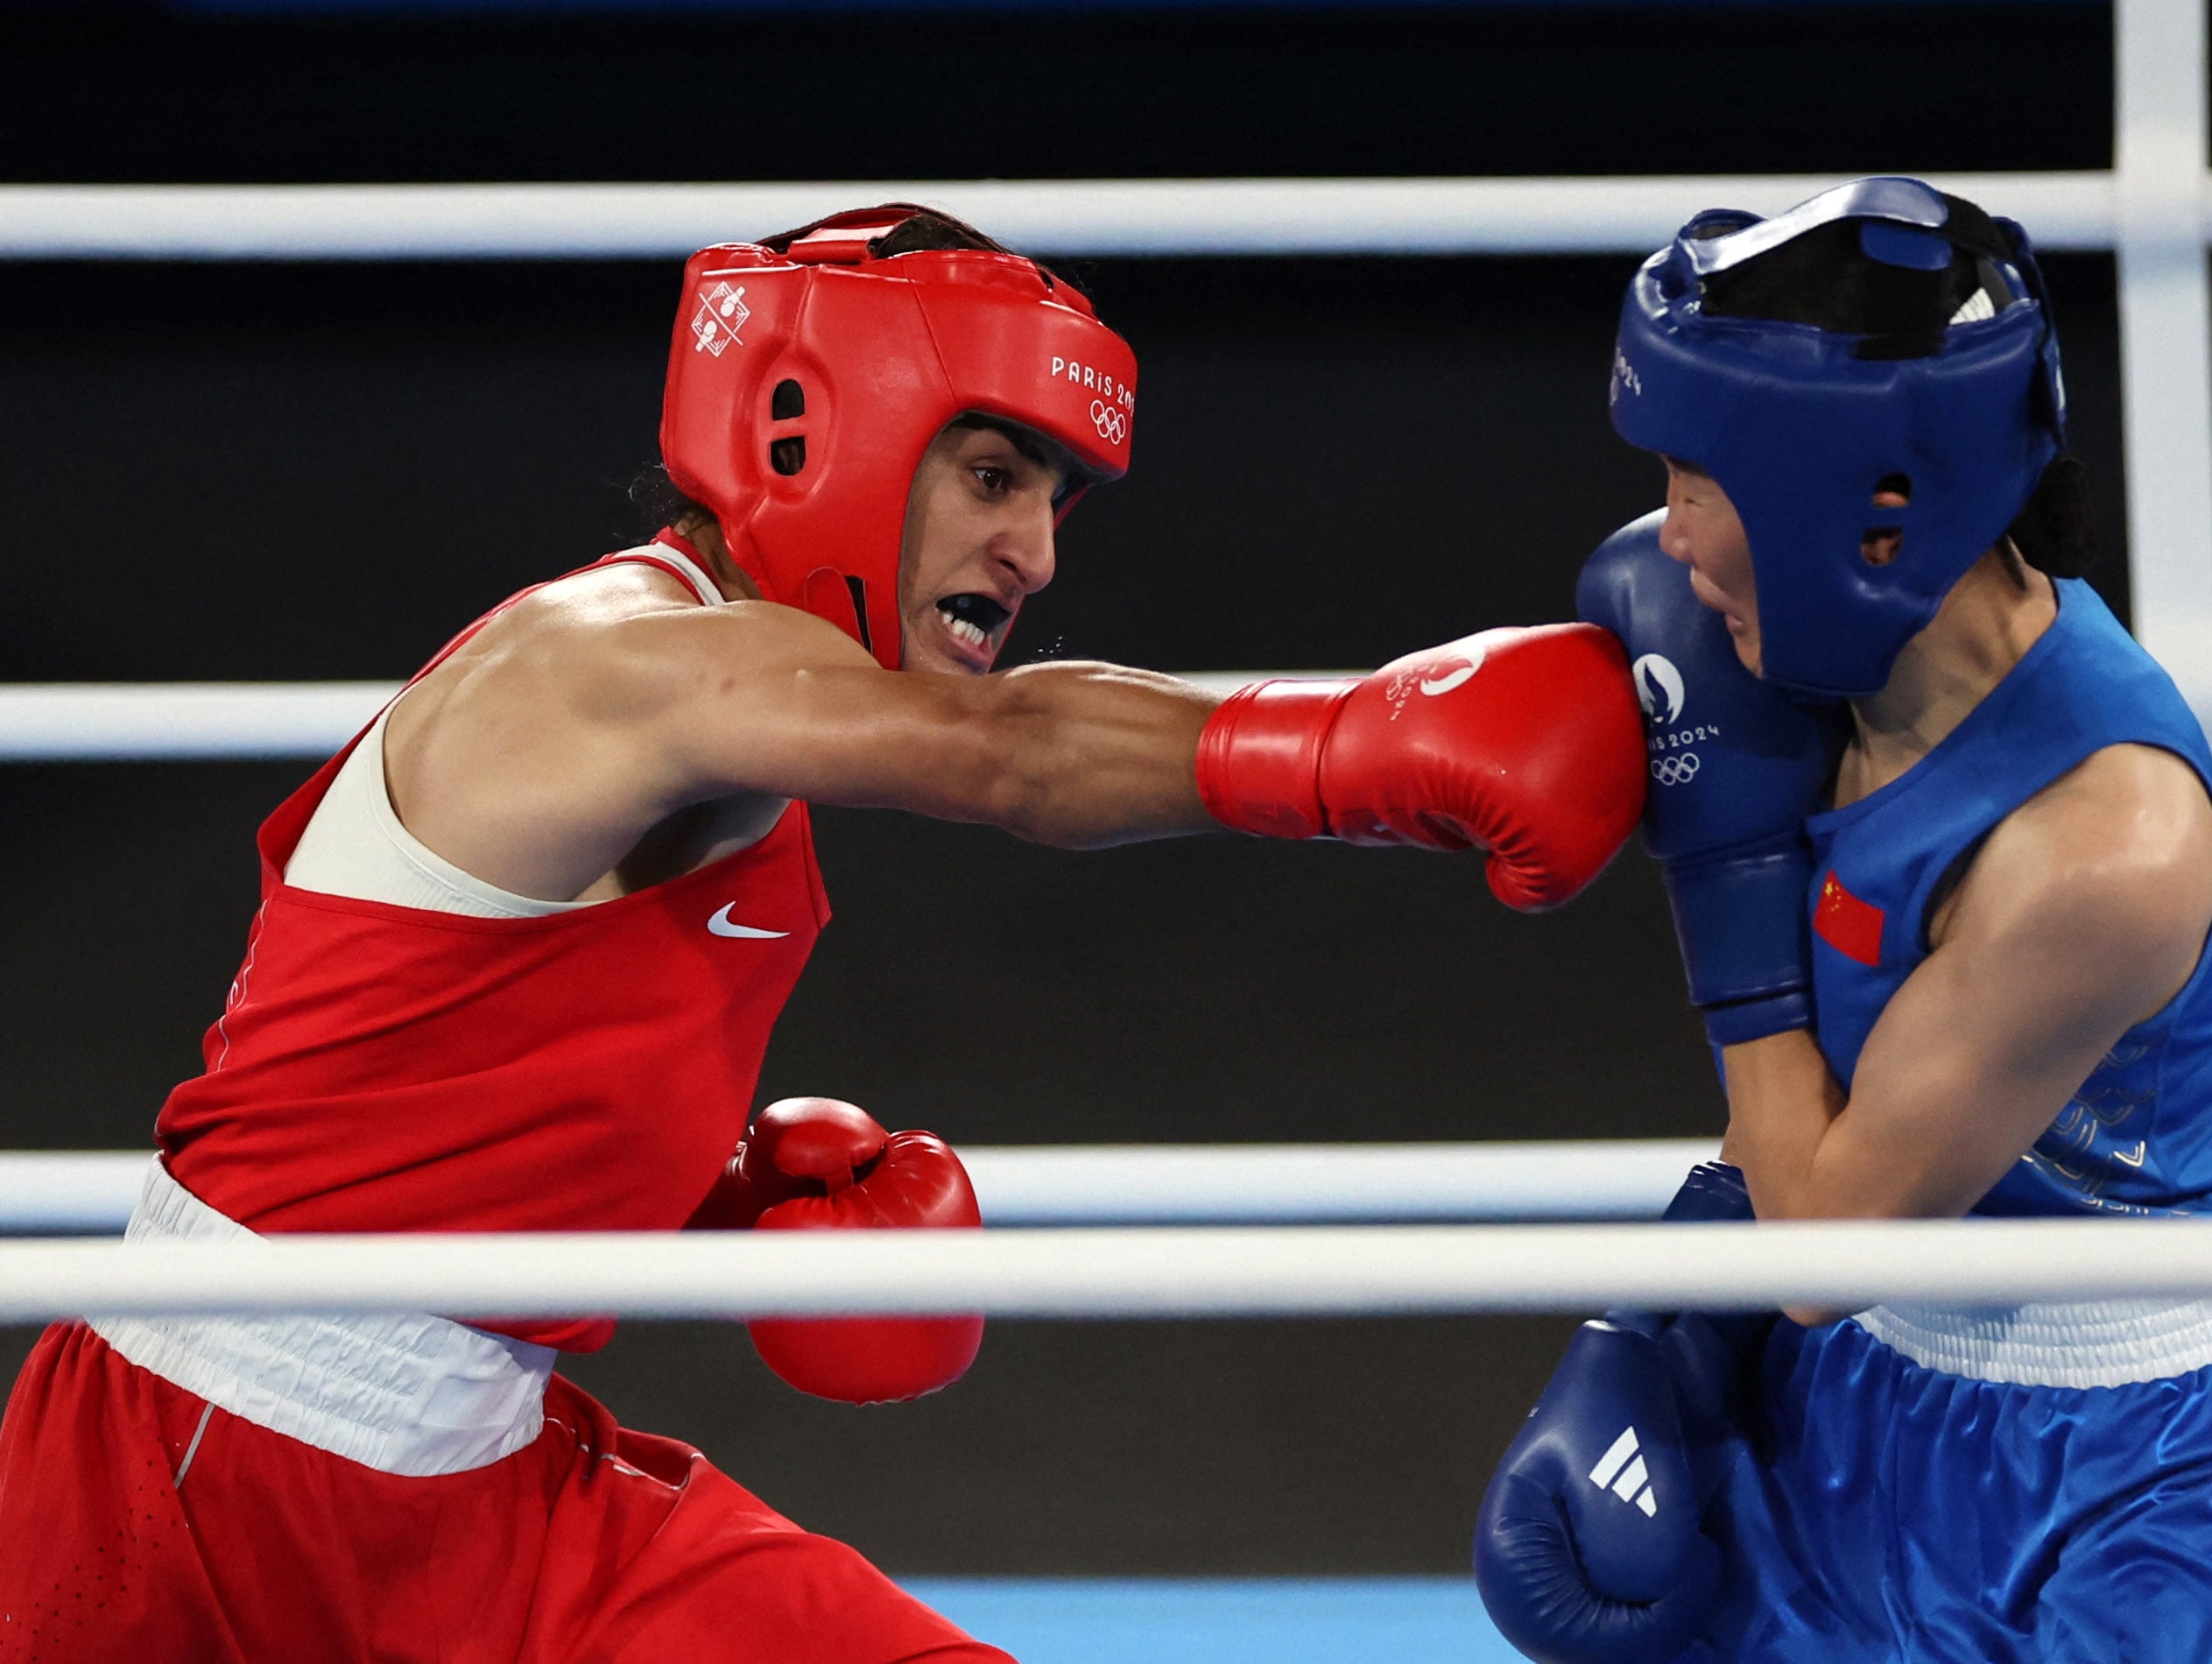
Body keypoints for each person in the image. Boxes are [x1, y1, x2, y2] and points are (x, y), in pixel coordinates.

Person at [0, 204, 1650, 1662]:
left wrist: (711, 1206)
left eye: (1058, 498)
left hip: (486, 1481)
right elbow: (1009, 757)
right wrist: (1367, 743)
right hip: (203, 1463)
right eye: (994, 475)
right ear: (805, 428)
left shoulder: (738, 719)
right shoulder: (619, 662)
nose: (1036, 548)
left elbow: (430, 1070)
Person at [1475, 178, 2212, 1662]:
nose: (1673, 540)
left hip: (2109, 1477)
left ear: (1864, 511)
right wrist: (1660, 1325)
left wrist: (1722, 875)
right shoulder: (1820, 666)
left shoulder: (2098, 846)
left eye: (1701, 484)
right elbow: (1823, 1183)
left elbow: (1827, 1244)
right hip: (1855, 1381)